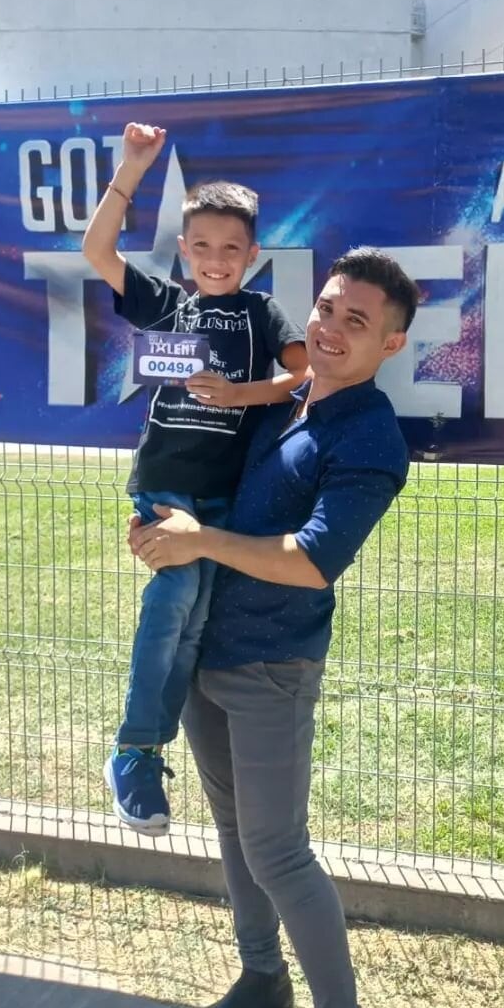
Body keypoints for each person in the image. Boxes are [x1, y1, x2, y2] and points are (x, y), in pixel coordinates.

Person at [130, 247, 419, 1008]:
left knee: (279, 853)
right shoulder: (278, 405)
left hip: (271, 668)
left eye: (356, 321)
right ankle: (262, 985)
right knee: (234, 837)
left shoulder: (370, 436)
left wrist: (204, 543)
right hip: (205, 657)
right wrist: (160, 534)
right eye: (327, 307)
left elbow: (313, 559)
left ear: (390, 344)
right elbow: (199, 497)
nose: (330, 328)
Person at [83, 122, 309, 836]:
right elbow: (97, 251)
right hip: (165, 481)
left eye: (231, 249)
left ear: (252, 254)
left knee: (194, 622)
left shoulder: (260, 311)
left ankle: (148, 751)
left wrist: (241, 394)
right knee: (176, 590)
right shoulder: (166, 303)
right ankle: (135, 750)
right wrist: (132, 169)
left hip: (224, 495)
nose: (216, 260)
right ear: (184, 250)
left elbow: (302, 374)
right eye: (202, 247)